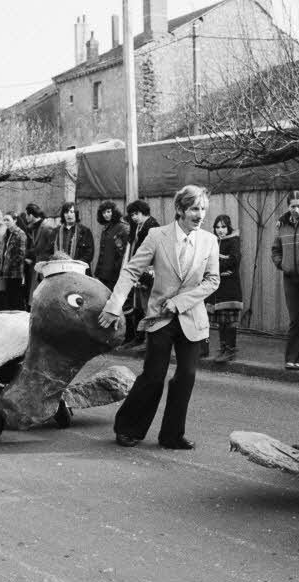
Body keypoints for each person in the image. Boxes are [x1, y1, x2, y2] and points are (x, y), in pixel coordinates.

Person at [100, 185, 219, 451]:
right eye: (194, 209)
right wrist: (114, 305)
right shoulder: (156, 235)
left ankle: (172, 435)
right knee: (153, 375)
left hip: (191, 318)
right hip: (160, 318)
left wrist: (179, 302)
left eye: (203, 209)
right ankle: (128, 428)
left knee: (186, 376)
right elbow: (131, 271)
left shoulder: (209, 240)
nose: (199, 215)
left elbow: (213, 280)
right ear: (180, 210)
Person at [270, 190, 299, 370]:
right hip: (289, 277)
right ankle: (291, 357)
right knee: (294, 319)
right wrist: (282, 265)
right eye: (293, 206)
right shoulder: (282, 225)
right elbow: (275, 249)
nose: (296, 209)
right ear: (288, 207)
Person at [122, 200, 160, 350]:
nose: (133, 217)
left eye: (136, 214)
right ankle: (141, 338)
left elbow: (152, 252)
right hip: (141, 270)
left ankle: (151, 342)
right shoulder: (138, 227)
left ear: (143, 212)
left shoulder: (152, 226)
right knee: (140, 305)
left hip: (149, 271)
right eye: (132, 215)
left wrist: (146, 272)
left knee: (150, 306)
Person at [206, 214, 243, 363]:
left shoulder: (233, 241)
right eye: (217, 227)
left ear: (229, 228)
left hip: (229, 287)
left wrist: (217, 265)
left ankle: (231, 349)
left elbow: (234, 260)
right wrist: (220, 263)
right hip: (217, 287)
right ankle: (223, 347)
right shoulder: (213, 242)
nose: (220, 230)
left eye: (223, 227)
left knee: (229, 319)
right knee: (220, 319)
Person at [94, 200, 129, 291]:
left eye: (108, 211)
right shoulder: (105, 228)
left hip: (114, 274)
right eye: (104, 212)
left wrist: (116, 271)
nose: (106, 215)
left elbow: (123, 253)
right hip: (103, 273)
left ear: (114, 212)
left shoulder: (121, 228)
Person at [0, 211, 28, 310]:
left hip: (15, 271)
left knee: (16, 297)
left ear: (15, 220)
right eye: (4, 220)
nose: (6, 222)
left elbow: (21, 254)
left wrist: (12, 265)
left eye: (8, 220)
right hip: (7, 270)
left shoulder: (20, 234)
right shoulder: (8, 233)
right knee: (9, 297)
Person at [54, 202, 95, 269]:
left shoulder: (85, 231)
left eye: (71, 212)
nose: (69, 215)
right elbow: (48, 251)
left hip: (79, 270)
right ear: (63, 215)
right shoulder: (56, 231)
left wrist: (75, 265)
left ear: (76, 214)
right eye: (66, 212)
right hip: (59, 269)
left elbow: (89, 253)